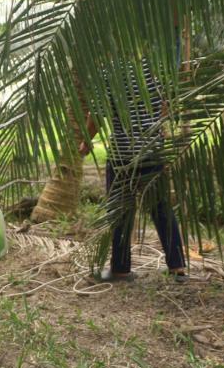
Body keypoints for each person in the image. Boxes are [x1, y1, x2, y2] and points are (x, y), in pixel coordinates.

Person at [79, 59, 188, 283]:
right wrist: (156, 131)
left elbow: (97, 114)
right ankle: (177, 266)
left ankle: (120, 269)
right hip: (152, 152)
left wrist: (86, 142)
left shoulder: (109, 71)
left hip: (123, 155)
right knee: (162, 209)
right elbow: (166, 106)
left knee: (121, 212)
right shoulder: (155, 67)